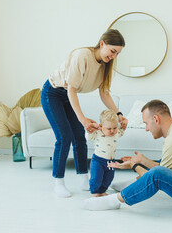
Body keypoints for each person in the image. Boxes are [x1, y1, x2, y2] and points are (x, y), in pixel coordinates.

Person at [40, 29, 128, 198]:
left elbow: (104, 93)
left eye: (118, 53)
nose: (114, 56)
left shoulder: (105, 64)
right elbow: (71, 90)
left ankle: (83, 179)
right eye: (112, 51)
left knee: (80, 137)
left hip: (67, 96)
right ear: (102, 44)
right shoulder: (82, 56)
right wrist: (82, 119)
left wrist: (118, 114)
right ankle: (58, 182)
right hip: (52, 93)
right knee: (64, 137)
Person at [86, 109, 125, 197]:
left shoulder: (116, 132)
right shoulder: (97, 132)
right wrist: (89, 131)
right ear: (100, 126)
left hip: (111, 161)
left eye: (114, 128)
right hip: (98, 160)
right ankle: (95, 192)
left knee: (109, 178)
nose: (112, 131)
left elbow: (121, 132)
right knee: (96, 178)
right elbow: (88, 138)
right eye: (109, 128)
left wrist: (123, 126)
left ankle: (102, 191)